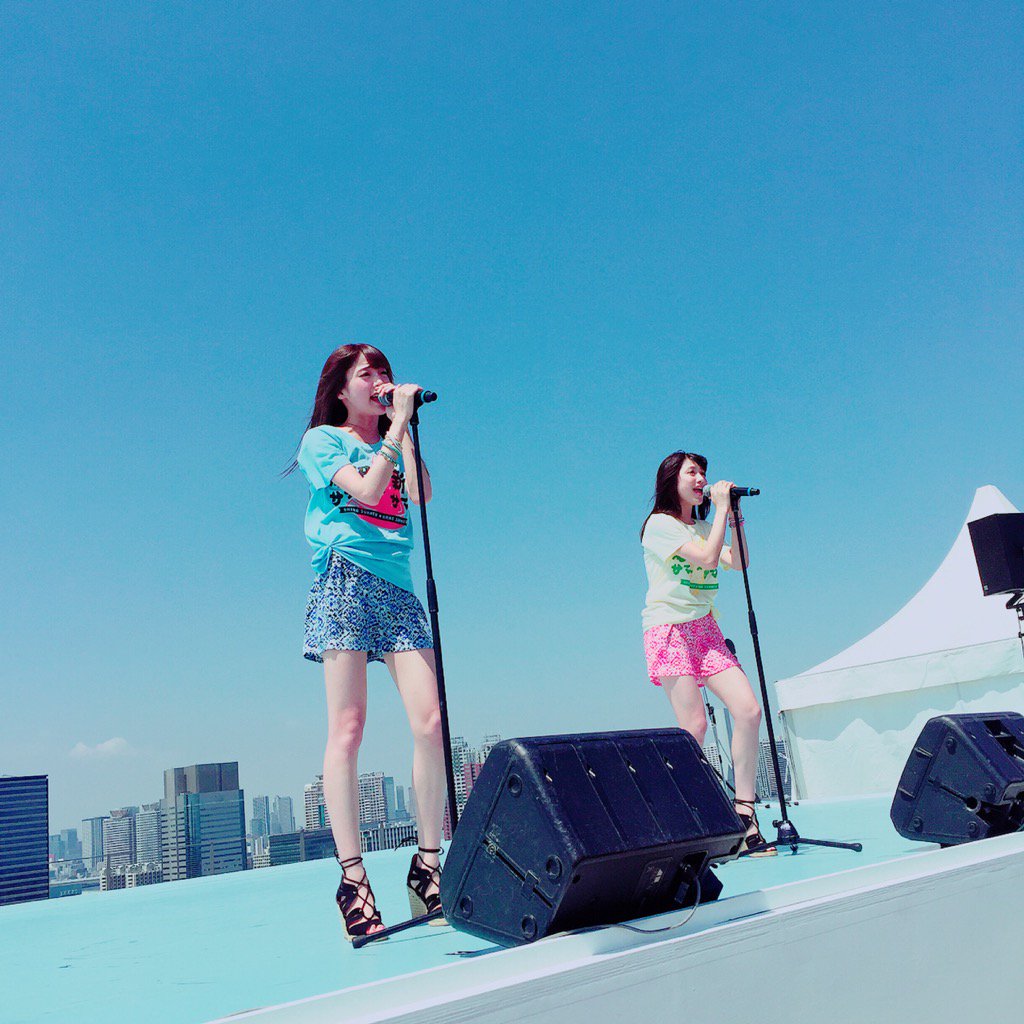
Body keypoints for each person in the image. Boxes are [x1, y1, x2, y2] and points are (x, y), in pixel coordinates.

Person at [288, 343, 447, 939]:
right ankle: (352, 878)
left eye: (385, 371)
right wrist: (395, 427)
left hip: (398, 584)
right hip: (346, 577)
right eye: (368, 374)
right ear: (340, 389)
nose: (380, 380)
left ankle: (427, 864)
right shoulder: (321, 441)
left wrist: (402, 426)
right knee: (349, 728)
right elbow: (366, 490)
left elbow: (421, 493)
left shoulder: (395, 437)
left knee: (430, 722)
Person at [640, 450, 777, 856]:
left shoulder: (704, 525)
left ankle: (745, 813)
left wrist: (733, 518)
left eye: (703, 473)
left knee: (748, 710)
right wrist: (718, 511)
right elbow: (704, 557)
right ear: (672, 480)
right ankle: (689, 818)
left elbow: (740, 561)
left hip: (705, 628)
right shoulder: (659, 525)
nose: (701, 479)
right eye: (692, 473)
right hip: (669, 628)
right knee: (695, 726)